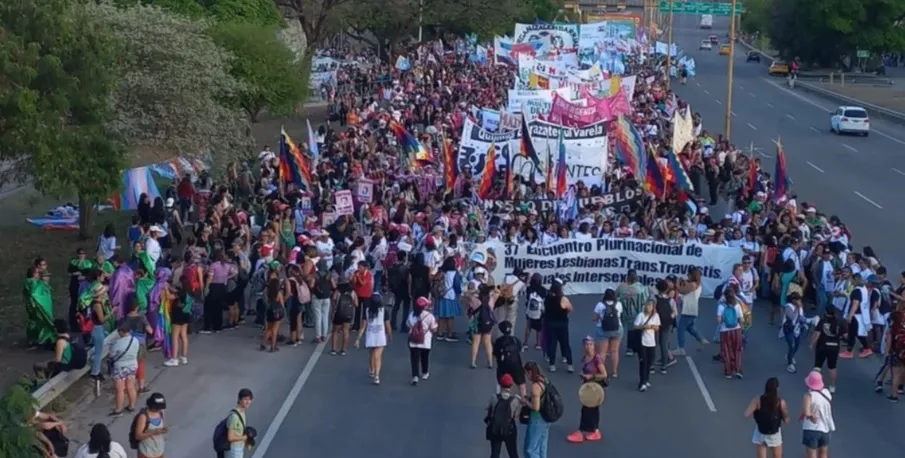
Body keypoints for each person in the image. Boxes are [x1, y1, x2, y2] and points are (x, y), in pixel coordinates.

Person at [566, 336, 606, 443]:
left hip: (595, 388)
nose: (588, 347)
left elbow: (604, 374)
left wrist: (591, 376)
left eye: (591, 344)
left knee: (590, 410)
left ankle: (585, 431)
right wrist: (583, 375)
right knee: (589, 409)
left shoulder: (597, 358)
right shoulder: (585, 358)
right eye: (586, 344)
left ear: (594, 346)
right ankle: (592, 430)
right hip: (588, 387)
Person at [744, 377, 789, 458]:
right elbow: (786, 420)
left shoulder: (757, 400)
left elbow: (746, 414)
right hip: (775, 434)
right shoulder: (781, 402)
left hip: (761, 432)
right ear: (777, 388)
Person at [354, 292, 391, 385]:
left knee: (371, 353)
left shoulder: (367, 311)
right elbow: (387, 325)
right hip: (380, 336)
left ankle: (371, 369)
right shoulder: (384, 311)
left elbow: (363, 327)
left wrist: (358, 339)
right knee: (378, 356)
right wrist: (389, 335)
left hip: (370, 335)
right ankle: (377, 376)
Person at [809, 306, 844, 394]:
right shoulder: (839, 322)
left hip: (823, 346)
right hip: (834, 347)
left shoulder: (823, 321)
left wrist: (811, 344)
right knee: (832, 367)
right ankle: (832, 386)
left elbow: (817, 334)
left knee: (817, 367)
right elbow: (845, 335)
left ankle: (815, 385)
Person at [485, 374, 520, 458]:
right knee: (513, 453)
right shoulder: (514, 400)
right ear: (511, 386)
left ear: (500, 385)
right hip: (509, 429)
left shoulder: (494, 397)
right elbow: (515, 416)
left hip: (496, 428)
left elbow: (488, 408)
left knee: (495, 453)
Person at [109, 320, 139, 417]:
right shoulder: (135, 340)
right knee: (131, 387)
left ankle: (118, 410)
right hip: (132, 366)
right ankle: (132, 406)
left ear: (121, 331)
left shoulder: (117, 343)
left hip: (120, 368)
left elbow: (111, 355)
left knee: (120, 389)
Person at [801, 371, 834, 458]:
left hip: (811, 429)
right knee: (823, 454)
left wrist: (811, 415)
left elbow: (807, 413)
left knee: (812, 455)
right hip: (825, 429)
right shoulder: (827, 393)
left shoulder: (808, 396)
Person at [543, 279, 573, 373]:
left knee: (552, 344)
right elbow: (570, 309)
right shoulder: (563, 299)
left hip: (550, 323)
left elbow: (544, 310)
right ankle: (569, 364)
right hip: (562, 323)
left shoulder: (547, 297)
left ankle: (552, 364)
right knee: (565, 343)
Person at [675, 269, 708, 355]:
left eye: (689, 275)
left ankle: (680, 348)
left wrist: (677, 283)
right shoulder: (696, 284)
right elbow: (687, 288)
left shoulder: (693, 285)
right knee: (689, 327)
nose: (687, 276)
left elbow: (681, 290)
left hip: (688, 309)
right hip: (692, 308)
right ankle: (701, 339)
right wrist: (684, 282)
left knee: (681, 328)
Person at [407, 296, 438, 386]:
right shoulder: (429, 316)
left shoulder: (412, 315)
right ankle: (425, 372)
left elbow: (408, 324)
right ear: (425, 306)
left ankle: (415, 376)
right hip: (426, 340)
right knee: (425, 357)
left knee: (414, 358)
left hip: (413, 340)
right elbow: (434, 329)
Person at [522, 362, 550, 458]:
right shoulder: (544, 380)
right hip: (546, 418)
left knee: (531, 449)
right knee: (542, 446)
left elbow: (535, 408)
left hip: (537, 419)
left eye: (526, 373)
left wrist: (526, 402)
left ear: (530, 372)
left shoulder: (535, 386)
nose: (526, 376)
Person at [633, 298, 660, 392]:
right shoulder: (641, 315)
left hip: (651, 342)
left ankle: (646, 379)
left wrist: (653, 327)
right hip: (642, 342)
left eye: (651, 306)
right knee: (643, 362)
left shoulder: (656, 316)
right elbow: (635, 326)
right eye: (647, 305)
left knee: (650, 361)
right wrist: (643, 327)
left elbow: (657, 327)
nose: (649, 307)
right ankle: (642, 382)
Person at [718, 287, 745, 379]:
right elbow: (741, 319)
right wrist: (741, 330)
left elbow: (719, 320)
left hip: (725, 331)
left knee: (726, 351)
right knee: (737, 350)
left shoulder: (721, 306)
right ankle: (738, 369)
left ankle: (728, 371)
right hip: (736, 329)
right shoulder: (737, 305)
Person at [493, 321, 525, 397]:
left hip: (503, 365)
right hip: (516, 365)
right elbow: (520, 350)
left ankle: (502, 400)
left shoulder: (498, 341)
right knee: (521, 383)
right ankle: (524, 399)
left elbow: (495, 354)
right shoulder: (515, 340)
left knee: (502, 383)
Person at [219, 388, 254, 458]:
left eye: (249, 399)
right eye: (245, 399)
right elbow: (230, 437)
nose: (248, 402)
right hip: (233, 451)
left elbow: (239, 432)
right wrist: (244, 438)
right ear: (239, 400)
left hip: (238, 449)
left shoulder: (242, 413)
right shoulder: (234, 416)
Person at [471, 284, 497, 369]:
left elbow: (466, 294)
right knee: (488, 342)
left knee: (476, 342)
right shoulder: (491, 299)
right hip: (488, 322)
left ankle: (473, 361)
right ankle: (490, 362)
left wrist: (474, 291)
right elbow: (498, 292)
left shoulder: (474, 299)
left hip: (477, 322)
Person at [133, 393, 168, 458]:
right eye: (158, 407)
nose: (159, 409)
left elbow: (162, 425)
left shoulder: (161, 413)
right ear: (152, 405)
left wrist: (164, 430)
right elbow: (138, 436)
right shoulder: (143, 417)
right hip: (146, 452)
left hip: (159, 449)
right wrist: (153, 432)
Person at [331, 277, 358, 355]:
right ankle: (343, 350)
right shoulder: (352, 292)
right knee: (346, 331)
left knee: (335, 331)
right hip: (348, 314)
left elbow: (333, 300)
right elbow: (356, 304)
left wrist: (334, 310)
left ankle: (333, 349)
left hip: (339, 313)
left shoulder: (338, 291)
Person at [780, 292, 807, 373]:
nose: (799, 301)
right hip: (789, 329)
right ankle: (790, 365)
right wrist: (797, 308)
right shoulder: (788, 307)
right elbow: (791, 317)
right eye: (797, 300)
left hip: (797, 329)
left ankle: (790, 355)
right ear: (793, 300)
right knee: (791, 345)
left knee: (797, 345)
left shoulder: (800, 307)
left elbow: (802, 317)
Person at [522, 274, 545, 351]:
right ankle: (538, 344)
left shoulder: (529, 289)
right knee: (539, 329)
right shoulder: (543, 290)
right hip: (539, 313)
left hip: (529, 311)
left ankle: (525, 343)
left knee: (528, 327)